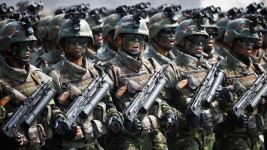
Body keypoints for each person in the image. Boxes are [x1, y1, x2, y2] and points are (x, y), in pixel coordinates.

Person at [103, 13, 177, 150]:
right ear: (119, 40)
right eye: (131, 37)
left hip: (151, 132)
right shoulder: (111, 69)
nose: (136, 42)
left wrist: (168, 112)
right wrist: (118, 119)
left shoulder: (151, 65)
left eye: (140, 38)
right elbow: (106, 103)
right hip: (124, 137)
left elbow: (160, 98)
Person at [0, 19, 63, 150]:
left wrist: (59, 119)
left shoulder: (38, 76)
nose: (29, 49)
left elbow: (51, 106)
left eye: (30, 44)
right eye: (23, 45)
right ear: (9, 47)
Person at [48, 15, 108, 150]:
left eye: (81, 40)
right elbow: (48, 108)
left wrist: (114, 116)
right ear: (62, 44)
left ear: (87, 43)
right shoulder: (54, 74)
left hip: (92, 141)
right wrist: (62, 124)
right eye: (71, 40)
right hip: (66, 144)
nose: (76, 44)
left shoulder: (95, 71)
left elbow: (109, 104)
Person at [163, 18, 218, 150]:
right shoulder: (171, 69)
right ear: (182, 41)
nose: (200, 44)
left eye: (203, 40)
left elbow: (219, 101)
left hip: (208, 136)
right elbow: (160, 101)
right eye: (195, 40)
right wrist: (182, 117)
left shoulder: (210, 68)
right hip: (183, 138)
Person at [214, 18, 263, 150]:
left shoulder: (258, 70)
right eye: (243, 40)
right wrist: (228, 117)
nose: (249, 44)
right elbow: (208, 107)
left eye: (252, 40)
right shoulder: (219, 70)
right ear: (231, 42)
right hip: (231, 137)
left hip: (256, 134)